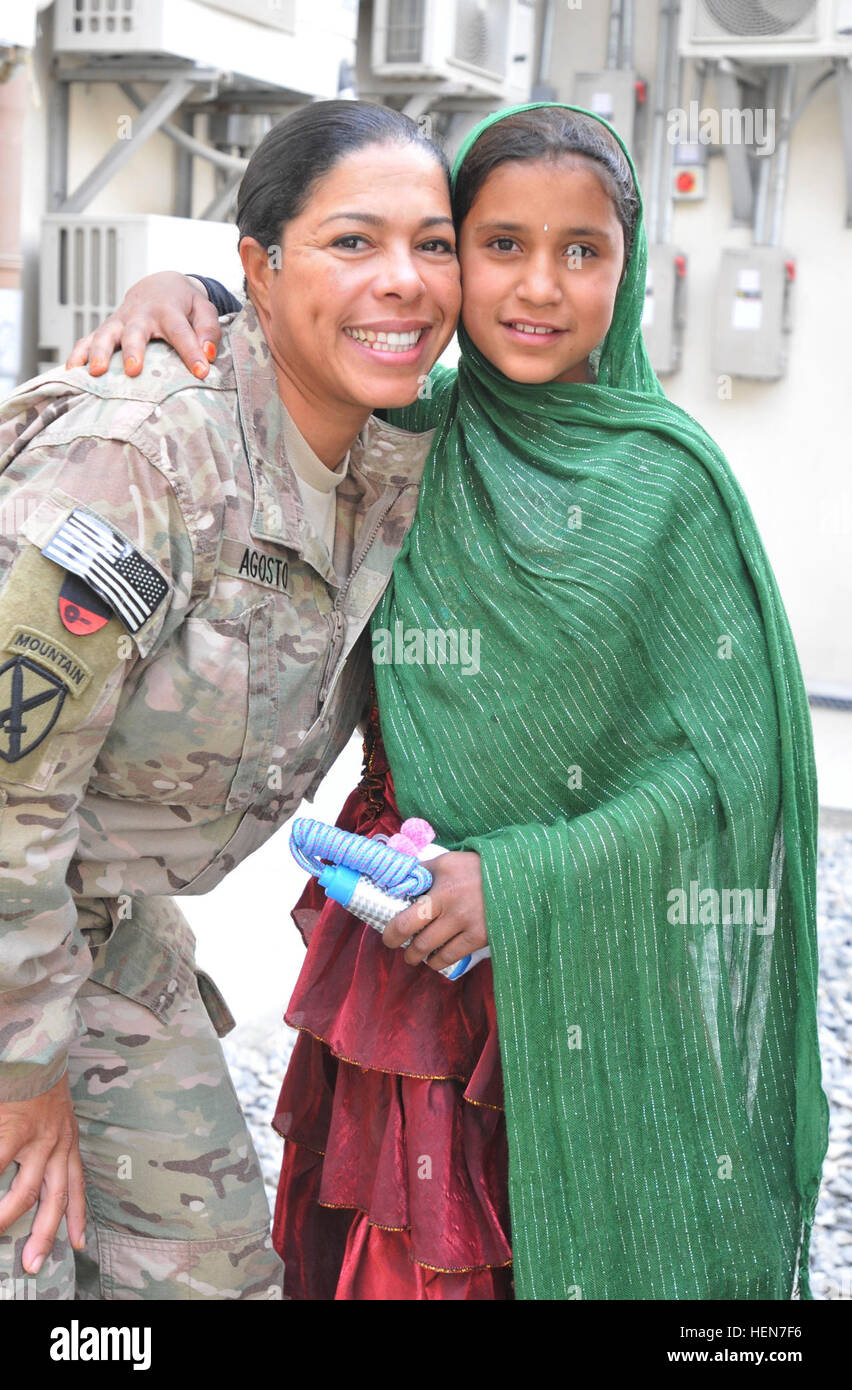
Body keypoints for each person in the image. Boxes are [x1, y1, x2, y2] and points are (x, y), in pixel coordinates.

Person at [70, 104, 829, 1302]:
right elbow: (305, 338)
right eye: (498, 243)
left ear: (631, 275)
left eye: (582, 252)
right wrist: (190, 292)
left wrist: (521, 882)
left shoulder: (671, 478)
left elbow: (734, 765)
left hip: (586, 962)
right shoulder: (406, 432)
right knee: (404, 1260)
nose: (538, 285)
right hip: (407, 961)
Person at [0, 99, 463, 1300]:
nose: (404, 281)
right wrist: (22, 1071)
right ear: (261, 265)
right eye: (354, 241)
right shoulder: (146, 453)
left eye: (436, 243)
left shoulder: (383, 451)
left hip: (102, 930)